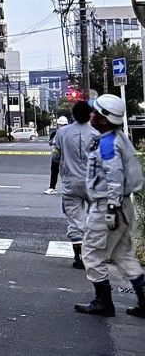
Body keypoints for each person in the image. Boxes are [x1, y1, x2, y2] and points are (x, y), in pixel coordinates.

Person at [73, 94, 145, 318]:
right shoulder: (118, 137)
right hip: (122, 206)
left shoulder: (108, 143)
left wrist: (111, 210)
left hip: (108, 206)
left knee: (92, 253)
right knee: (123, 254)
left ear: (104, 119)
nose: (91, 115)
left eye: (96, 112)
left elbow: (114, 176)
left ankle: (103, 302)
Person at [46, 105, 94, 269]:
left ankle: (79, 256)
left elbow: (56, 156)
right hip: (93, 182)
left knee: (75, 219)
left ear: (73, 115)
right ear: (90, 115)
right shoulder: (96, 133)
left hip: (70, 181)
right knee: (97, 216)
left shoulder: (62, 132)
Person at [44, 116, 70, 193]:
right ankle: (52, 187)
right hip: (56, 154)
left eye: (63, 125)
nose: (61, 127)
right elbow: (50, 143)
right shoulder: (55, 133)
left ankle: (67, 188)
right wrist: (56, 137)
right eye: (59, 125)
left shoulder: (69, 133)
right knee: (54, 170)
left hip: (66, 155)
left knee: (67, 172)